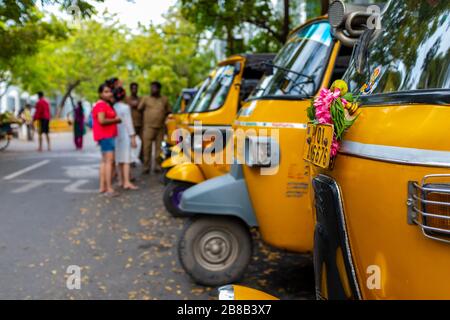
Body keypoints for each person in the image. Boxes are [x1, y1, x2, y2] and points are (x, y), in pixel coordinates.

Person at [92, 83, 121, 197]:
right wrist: (116, 120)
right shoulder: (101, 105)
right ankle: (108, 188)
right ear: (100, 94)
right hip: (106, 136)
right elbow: (102, 120)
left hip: (106, 136)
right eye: (106, 91)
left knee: (104, 161)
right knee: (109, 161)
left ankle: (103, 187)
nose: (109, 93)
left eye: (109, 91)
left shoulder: (105, 104)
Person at [138, 81, 171, 174]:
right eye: (152, 87)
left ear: (159, 89)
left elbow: (169, 111)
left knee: (159, 149)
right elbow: (139, 109)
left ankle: (157, 166)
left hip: (160, 128)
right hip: (148, 127)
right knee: (146, 148)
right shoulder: (145, 98)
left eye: (155, 88)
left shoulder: (164, 99)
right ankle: (146, 167)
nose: (153, 89)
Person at [113, 87, 139, 190]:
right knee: (126, 160)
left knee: (119, 159)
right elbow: (129, 123)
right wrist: (132, 137)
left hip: (115, 135)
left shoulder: (113, 107)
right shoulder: (125, 107)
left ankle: (120, 180)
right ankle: (127, 182)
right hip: (124, 135)